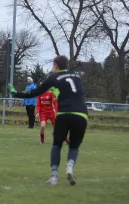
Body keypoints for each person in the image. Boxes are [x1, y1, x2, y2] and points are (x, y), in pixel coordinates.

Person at [10, 55, 88, 185]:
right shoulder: (77, 76)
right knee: (74, 145)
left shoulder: (53, 78)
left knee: (57, 144)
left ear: (55, 66)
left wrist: (15, 93)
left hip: (64, 113)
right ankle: (69, 167)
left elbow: (34, 92)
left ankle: (54, 177)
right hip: (81, 114)